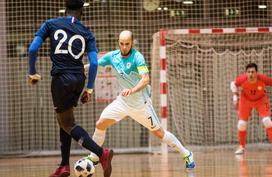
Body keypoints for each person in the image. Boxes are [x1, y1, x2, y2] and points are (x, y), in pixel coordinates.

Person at [85, 30, 195, 170]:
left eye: (127, 44)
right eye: (121, 44)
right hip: (122, 102)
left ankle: (187, 154)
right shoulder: (112, 56)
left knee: (160, 133)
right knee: (100, 124)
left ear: (132, 43)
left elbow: (145, 79)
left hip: (140, 106)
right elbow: (95, 65)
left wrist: (132, 90)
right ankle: (94, 157)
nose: (124, 47)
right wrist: (80, 68)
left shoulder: (138, 57)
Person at [27, 0, 113, 177]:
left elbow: (33, 48)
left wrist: (32, 72)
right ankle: (64, 166)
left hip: (61, 79)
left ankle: (101, 153)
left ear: (65, 8)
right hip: (79, 78)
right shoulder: (87, 32)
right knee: (64, 119)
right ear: (82, 11)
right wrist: (89, 89)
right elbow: (95, 63)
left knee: (67, 123)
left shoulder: (51, 24)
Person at [230, 63, 272, 154]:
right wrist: (235, 97)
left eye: (253, 72)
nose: (250, 74)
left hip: (261, 100)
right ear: (246, 73)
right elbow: (233, 84)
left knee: (267, 121)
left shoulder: (263, 78)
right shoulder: (242, 79)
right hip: (246, 100)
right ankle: (241, 147)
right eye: (248, 72)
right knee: (241, 124)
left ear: (256, 73)